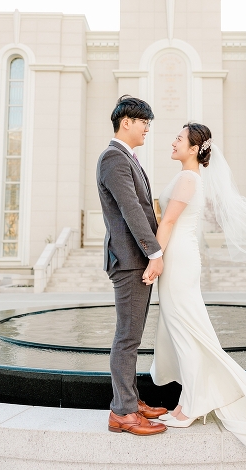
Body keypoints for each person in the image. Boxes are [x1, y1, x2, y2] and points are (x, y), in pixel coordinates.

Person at [145, 122, 246, 467]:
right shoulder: (187, 178)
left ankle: (189, 407)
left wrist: (154, 259)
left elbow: (169, 222)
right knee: (183, 330)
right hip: (177, 258)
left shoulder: (189, 180)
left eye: (179, 138)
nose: (173, 141)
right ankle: (191, 398)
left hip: (179, 260)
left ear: (193, 148)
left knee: (186, 332)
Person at [97, 95, 168, 436]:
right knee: (127, 337)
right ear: (127, 122)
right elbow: (132, 210)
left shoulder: (127, 158)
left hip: (134, 259)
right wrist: (155, 253)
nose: (147, 130)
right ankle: (122, 412)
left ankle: (130, 400)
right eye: (145, 123)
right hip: (128, 261)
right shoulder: (114, 158)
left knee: (132, 336)